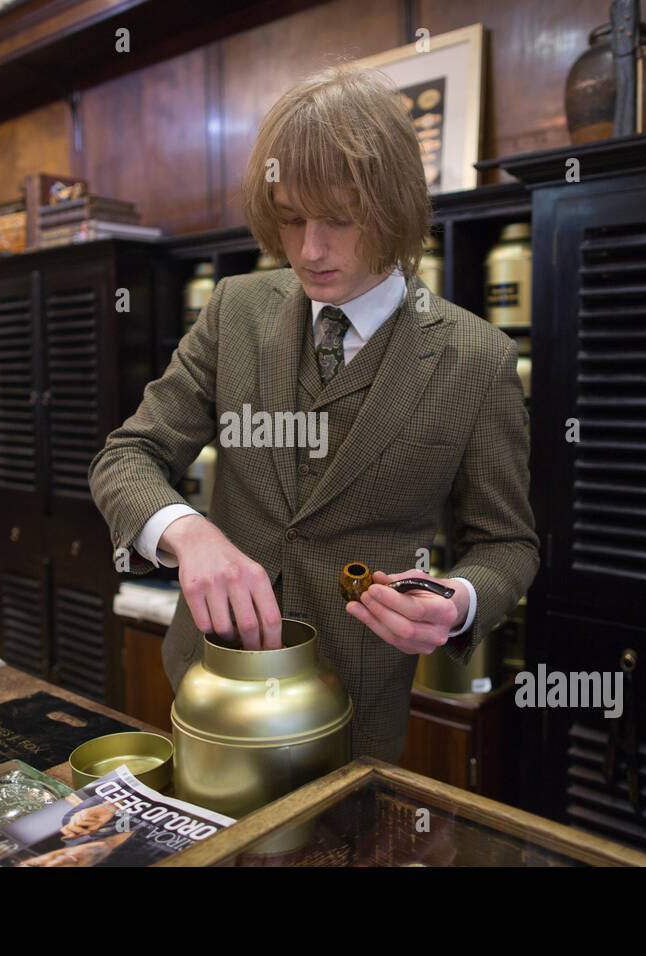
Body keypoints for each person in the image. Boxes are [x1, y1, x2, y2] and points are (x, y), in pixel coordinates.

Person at [89, 65, 538, 763]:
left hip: (356, 717)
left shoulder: (476, 360)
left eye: (339, 219)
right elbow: (128, 456)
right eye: (290, 219)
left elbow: (508, 545)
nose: (308, 250)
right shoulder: (235, 310)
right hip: (209, 685)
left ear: (393, 208)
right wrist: (188, 533)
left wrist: (458, 602)